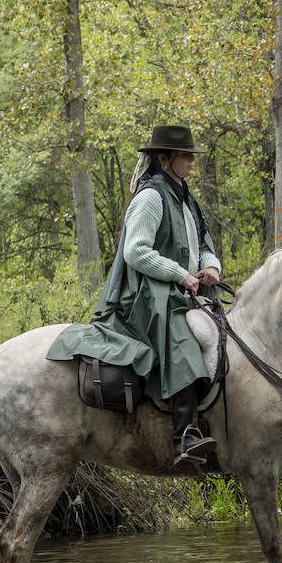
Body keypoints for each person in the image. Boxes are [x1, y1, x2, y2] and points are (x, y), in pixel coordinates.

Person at [47, 124, 222, 467]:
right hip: (147, 295)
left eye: (191, 155)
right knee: (182, 341)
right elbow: (136, 252)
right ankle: (184, 435)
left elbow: (203, 243)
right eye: (185, 156)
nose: (191, 162)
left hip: (181, 288)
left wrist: (210, 266)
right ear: (164, 158)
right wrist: (180, 274)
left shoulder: (185, 196)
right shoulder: (151, 197)